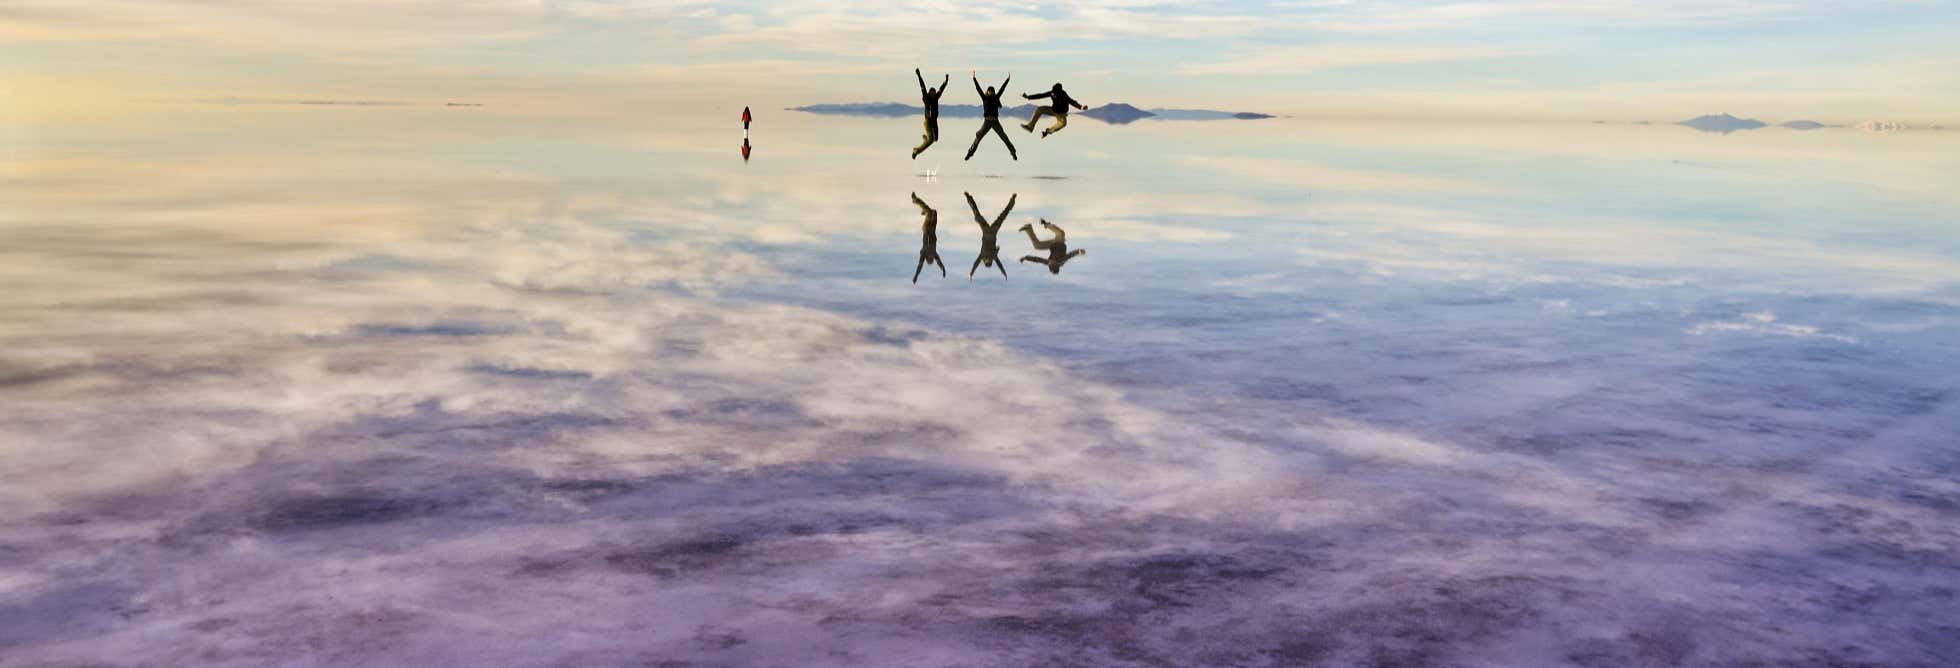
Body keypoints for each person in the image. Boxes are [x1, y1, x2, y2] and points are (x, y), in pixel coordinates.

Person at [964, 70, 1017, 161]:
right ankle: (969, 153)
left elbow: (1002, 89)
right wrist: (974, 78)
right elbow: (978, 89)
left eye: (992, 91)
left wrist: (1007, 80)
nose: (991, 92)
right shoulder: (984, 98)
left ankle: (1013, 153)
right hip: (987, 122)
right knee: (978, 137)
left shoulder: (996, 97)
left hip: (995, 122)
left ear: (993, 92)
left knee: (1004, 137)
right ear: (987, 91)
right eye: (990, 91)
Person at [965, 191, 1015, 281]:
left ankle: (969, 198)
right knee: (978, 214)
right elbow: (999, 265)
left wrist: (971, 274)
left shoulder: (989, 256)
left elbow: (976, 264)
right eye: (989, 261)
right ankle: (969, 198)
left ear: (985, 261)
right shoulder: (986, 256)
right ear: (989, 261)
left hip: (990, 231)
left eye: (987, 261)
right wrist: (1004, 273)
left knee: (1002, 215)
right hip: (988, 231)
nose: (988, 260)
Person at [1018, 219, 1087, 274]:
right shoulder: (1062, 261)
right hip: (1060, 242)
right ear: (1057, 264)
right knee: (1061, 233)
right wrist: (1078, 251)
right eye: (1053, 262)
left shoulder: (1048, 262)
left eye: (1050, 263)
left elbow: (1037, 259)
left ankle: (1028, 228)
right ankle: (1046, 224)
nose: (1051, 261)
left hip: (1052, 245)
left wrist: (1025, 258)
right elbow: (1070, 255)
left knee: (1037, 246)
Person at [1021, 83, 1087, 137]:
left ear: (1059, 93)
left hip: (1061, 114)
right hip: (1053, 110)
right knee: (1039, 109)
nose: (1053, 95)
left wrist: (1081, 107)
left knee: (1063, 124)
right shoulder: (1052, 92)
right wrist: (1028, 97)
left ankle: (1047, 131)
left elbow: (1072, 102)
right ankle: (1030, 127)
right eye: (1053, 93)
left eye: (1055, 94)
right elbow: (1041, 95)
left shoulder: (1064, 95)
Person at [912, 69, 949, 159]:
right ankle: (916, 151)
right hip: (928, 121)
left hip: (934, 121)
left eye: (934, 93)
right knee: (931, 140)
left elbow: (941, 89)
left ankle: (926, 139)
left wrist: (946, 81)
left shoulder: (936, 98)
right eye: (931, 93)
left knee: (935, 139)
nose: (933, 94)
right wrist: (919, 75)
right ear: (929, 93)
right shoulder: (926, 97)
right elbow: (922, 86)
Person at [911, 192, 945, 283]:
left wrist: (916, 276)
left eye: (929, 258)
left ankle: (915, 200)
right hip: (933, 228)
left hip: (926, 228)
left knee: (930, 212)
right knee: (934, 212)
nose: (931, 255)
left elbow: (920, 266)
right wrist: (943, 269)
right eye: (932, 258)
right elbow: (939, 263)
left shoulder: (923, 255)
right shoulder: (935, 254)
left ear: (926, 258)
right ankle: (925, 212)